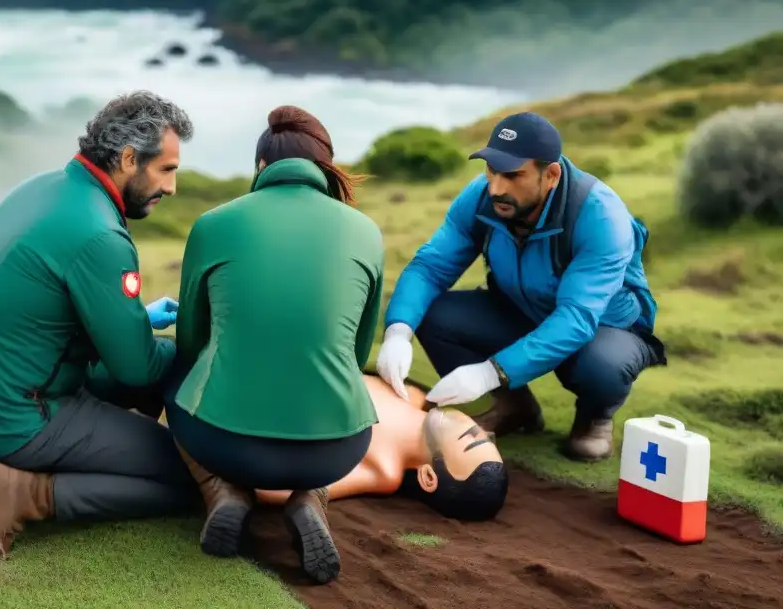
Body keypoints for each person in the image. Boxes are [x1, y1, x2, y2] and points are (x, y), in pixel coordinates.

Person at [0, 90, 201, 560]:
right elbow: (137, 369)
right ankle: (27, 492)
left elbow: (48, 311)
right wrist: (191, 345)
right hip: (19, 415)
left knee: (145, 374)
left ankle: (35, 467)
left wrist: (135, 321)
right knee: (187, 476)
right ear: (129, 159)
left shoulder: (38, 188)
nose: (171, 188)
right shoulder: (100, 234)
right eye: (166, 169)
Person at [163, 106, 384, 585]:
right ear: (326, 168)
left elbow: (191, 341)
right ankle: (311, 497)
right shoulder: (366, 232)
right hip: (337, 449)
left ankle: (223, 490)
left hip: (225, 445)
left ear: (261, 166)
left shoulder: (213, 223)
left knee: (175, 370)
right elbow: (357, 353)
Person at [376, 112, 664, 462]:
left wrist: (490, 372)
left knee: (603, 365)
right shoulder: (480, 197)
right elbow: (430, 267)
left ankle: (594, 419)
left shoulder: (600, 216)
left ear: (551, 175)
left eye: (513, 175)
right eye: (492, 170)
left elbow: (576, 318)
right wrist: (398, 332)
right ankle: (513, 406)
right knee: (434, 315)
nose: (496, 187)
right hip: (520, 309)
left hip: (603, 328)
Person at [255, 374, 508, 521]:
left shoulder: (386, 469)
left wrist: (247, 476)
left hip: (268, 399)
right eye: (485, 436)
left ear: (429, 477)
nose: (473, 426)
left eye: (470, 440)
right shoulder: (414, 395)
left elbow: (290, 491)